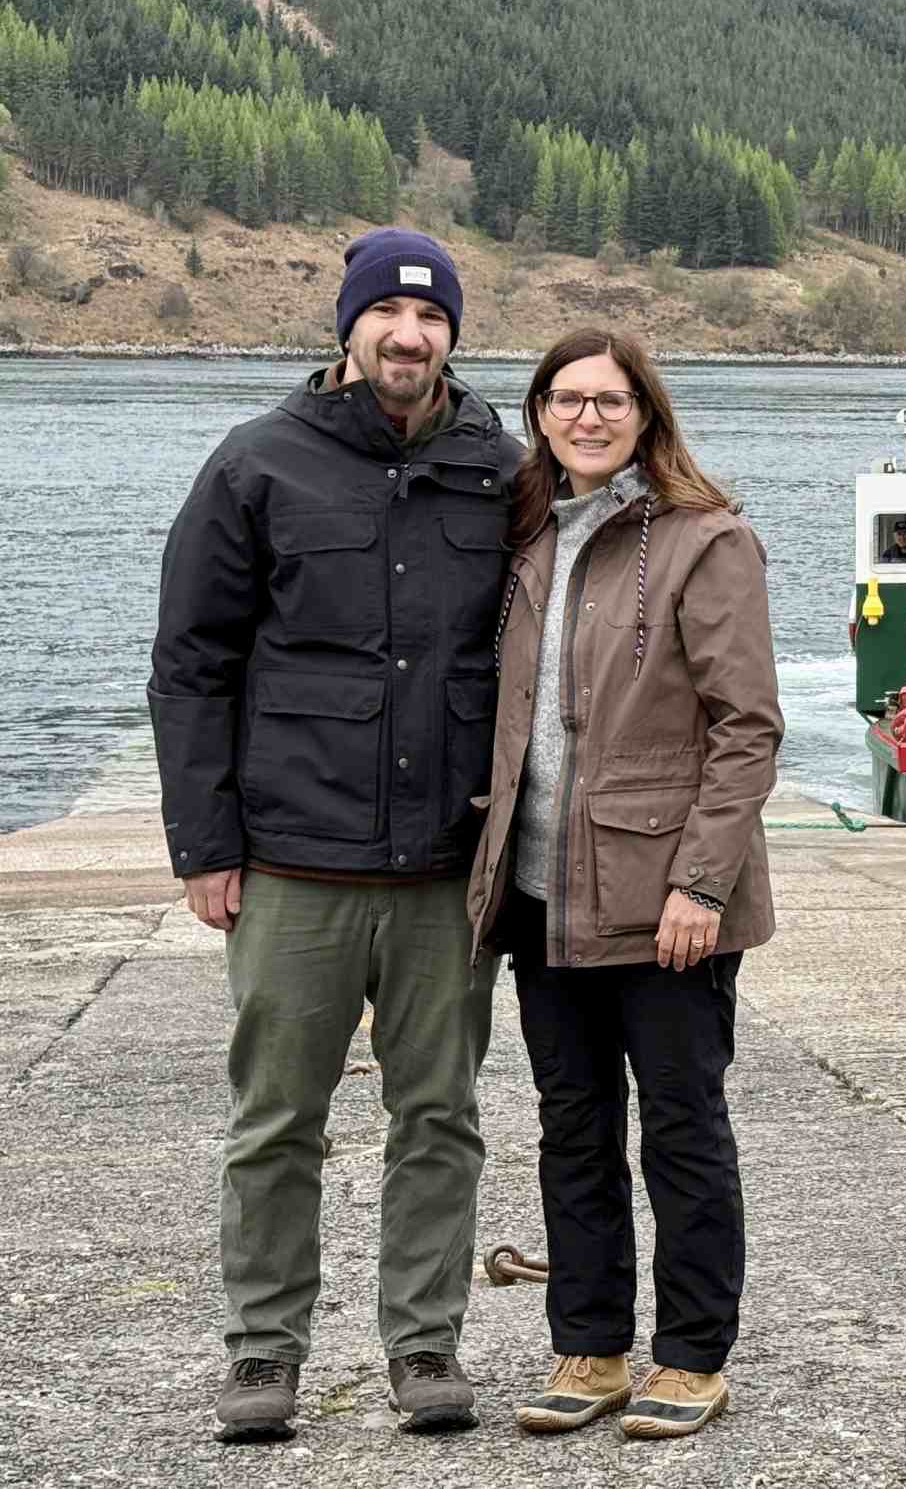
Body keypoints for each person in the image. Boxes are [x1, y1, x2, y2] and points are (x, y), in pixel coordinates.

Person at [148, 228, 522, 1443]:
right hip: (292, 867)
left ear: (452, 336)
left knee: (441, 1121)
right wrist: (206, 847)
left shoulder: (496, 471)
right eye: (387, 319)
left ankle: (425, 1347)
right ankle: (262, 1354)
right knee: (274, 1123)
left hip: (444, 872)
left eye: (430, 322)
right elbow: (191, 667)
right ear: (347, 328)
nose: (408, 339)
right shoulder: (258, 465)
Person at [467, 328, 783, 1443]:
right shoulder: (530, 542)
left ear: (646, 415)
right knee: (572, 1125)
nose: (586, 418)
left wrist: (700, 883)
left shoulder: (706, 542)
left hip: (668, 904)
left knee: (683, 1128)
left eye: (609, 401)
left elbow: (747, 730)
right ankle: (590, 1347)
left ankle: (693, 1358)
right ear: (539, 413)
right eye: (565, 399)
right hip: (545, 890)